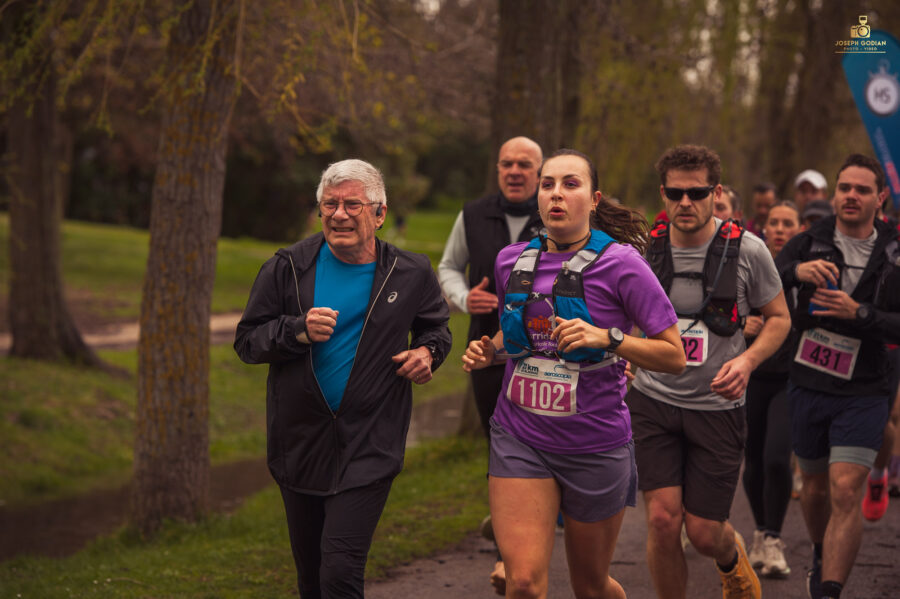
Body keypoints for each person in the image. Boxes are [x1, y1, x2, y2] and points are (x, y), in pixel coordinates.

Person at [463, 149, 685, 599]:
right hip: (520, 437)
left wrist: (610, 338)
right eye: (548, 185)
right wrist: (490, 352)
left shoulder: (623, 264)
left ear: (594, 199)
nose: (556, 194)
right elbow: (521, 336)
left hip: (595, 445)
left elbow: (673, 355)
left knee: (591, 586)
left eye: (570, 184)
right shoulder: (510, 261)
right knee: (523, 584)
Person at [234, 159, 452, 598]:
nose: (339, 215)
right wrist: (296, 330)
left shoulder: (410, 272)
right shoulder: (288, 267)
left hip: (371, 443)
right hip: (300, 443)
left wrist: (427, 353)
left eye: (353, 205)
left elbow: (437, 329)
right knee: (312, 579)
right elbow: (248, 341)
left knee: (339, 572)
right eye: (330, 204)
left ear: (380, 213)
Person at [626, 144, 791, 599]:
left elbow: (779, 318)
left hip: (717, 406)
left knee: (702, 533)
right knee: (663, 521)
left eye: (697, 193)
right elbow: (621, 310)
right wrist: (624, 353)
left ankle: (730, 559)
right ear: (662, 193)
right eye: (675, 193)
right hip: (653, 400)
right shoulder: (643, 251)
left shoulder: (749, 250)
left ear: (716, 193)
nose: (686, 202)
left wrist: (748, 361)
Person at [775, 153, 900, 599]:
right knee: (813, 488)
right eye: (844, 187)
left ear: (880, 198)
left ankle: (829, 590)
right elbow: (763, 284)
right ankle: (819, 550)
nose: (851, 196)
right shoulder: (808, 242)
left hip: (866, 386)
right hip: (808, 381)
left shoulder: (894, 251)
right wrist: (795, 272)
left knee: (845, 490)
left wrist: (860, 313)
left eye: (862, 190)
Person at [438, 136, 544, 592]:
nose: (514, 171)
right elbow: (448, 266)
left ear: (539, 172)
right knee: (499, 442)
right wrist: (466, 298)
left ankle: (539, 517)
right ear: (498, 169)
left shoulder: (555, 212)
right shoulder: (473, 214)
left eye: (524, 164)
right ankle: (510, 546)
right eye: (506, 164)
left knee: (544, 439)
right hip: (486, 348)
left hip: (546, 352)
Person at [741, 200, 802, 579]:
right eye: (774, 223)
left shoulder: (809, 270)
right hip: (751, 374)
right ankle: (762, 531)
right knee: (753, 461)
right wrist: (741, 324)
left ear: (800, 229)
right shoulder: (750, 262)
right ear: (765, 228)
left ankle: (774, 539)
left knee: (777, 458)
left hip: (792, 377)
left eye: (787, 224)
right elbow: (723, 311)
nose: (780, 229)